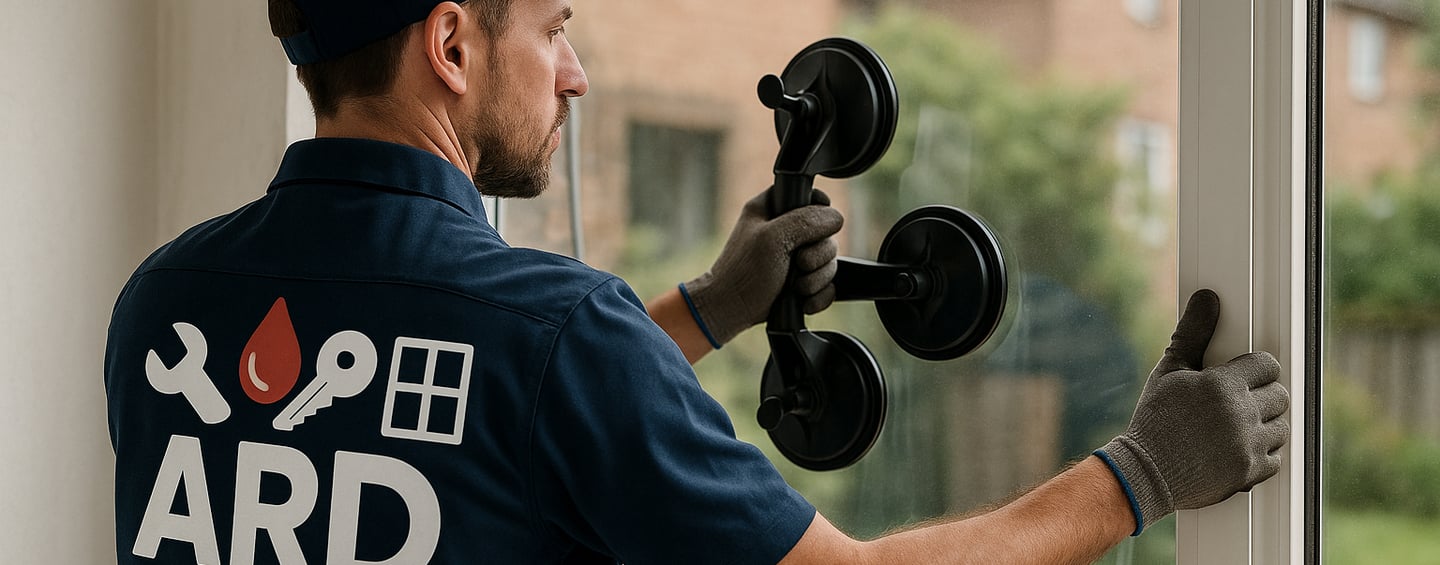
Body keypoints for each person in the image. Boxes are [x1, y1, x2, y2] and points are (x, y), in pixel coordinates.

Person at [104, 1, 1290, 563]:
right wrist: (1139, 473)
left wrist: (712, 308)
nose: (572, 75)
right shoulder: (557, 332)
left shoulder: (166, 306)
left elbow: (462, 430)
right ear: (453, 47)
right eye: (554, 28)